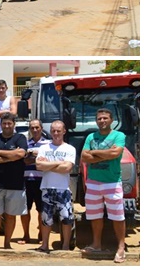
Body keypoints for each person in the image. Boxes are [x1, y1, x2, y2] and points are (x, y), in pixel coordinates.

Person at [80, 108, 127, 263]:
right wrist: (105, 154)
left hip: (112, 182)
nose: (102, 121)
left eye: (105, 118)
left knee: (118, 216)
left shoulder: (119, 136)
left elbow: (116, 154)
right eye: (99, 118)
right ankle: (97, 244)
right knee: (94, 215)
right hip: (93, 182)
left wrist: (95, 153)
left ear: (111, 120)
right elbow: (84, 157)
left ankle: (121, 247)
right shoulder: (91, 136)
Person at [35, 120, 76, 253]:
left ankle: (65, 245)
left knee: (66, 218)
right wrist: (59, 163)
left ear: (64, 131)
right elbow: (39, 166)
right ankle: (45, 245)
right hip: (47, 188)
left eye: (59, 131)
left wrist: (49, 165)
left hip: (63, 189)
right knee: (46, 219)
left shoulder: (70, 148)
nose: (56, 133)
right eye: (53, 131)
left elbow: (67, 168)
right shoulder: (44, 148)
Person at [0, 113, 28, 250]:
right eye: (4, 123)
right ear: (0, 124)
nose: (6, 126)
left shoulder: (20, 138)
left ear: (14, 124)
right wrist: (11, 157)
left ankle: (7, 243)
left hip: (15, 183)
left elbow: (21, 154)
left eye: (9, 123)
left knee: (11, 216)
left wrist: (0, 152)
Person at [20, 119, 50, 245]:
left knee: (41, 209)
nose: (35, 130)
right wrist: (38, 158)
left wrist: (32, 157)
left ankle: (41, 234)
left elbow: (47, 160)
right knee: (25, 210)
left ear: (41, 128)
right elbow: (24, 161)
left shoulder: (48, 144)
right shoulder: (26, 143)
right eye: (32, 128)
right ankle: (26, 235)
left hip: (42, 180)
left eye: (37, 127)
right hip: (26, 180)